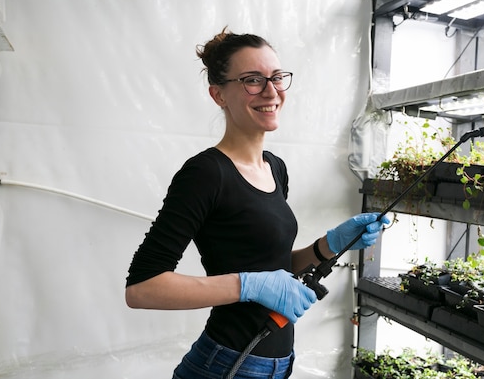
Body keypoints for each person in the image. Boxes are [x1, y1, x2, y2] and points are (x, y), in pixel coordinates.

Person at [125, 27, 390, 379]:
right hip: (227, 365)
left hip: (277, 364)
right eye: (252, 80)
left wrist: (327, 246)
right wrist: (248, 286)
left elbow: (272, 267)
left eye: (276, 77)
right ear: (218, 95)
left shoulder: (275, 168)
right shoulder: (205, 174)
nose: (271, 91)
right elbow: (142, 289)